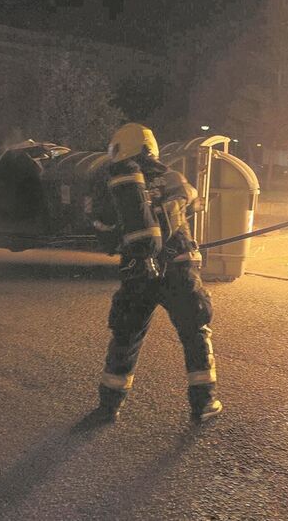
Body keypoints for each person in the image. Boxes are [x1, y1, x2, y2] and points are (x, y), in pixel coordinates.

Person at [91, 123, 222, 422]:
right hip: (178, 270)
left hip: (138, 271)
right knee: (194, 332)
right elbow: (195, 200)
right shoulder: (174, 179)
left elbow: (107, 235)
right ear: (151, 149)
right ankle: (205, 404)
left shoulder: (120, 186)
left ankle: (109, 405)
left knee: (126, 335)